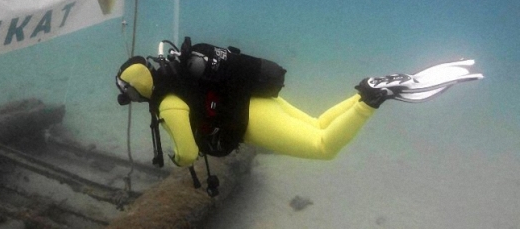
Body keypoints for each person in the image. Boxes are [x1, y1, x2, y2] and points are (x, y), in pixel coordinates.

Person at [115, 38, 482, 194]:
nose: (131, 98)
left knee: (323, 146)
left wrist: (179, 159)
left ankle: (372, 96)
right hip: (256, 101)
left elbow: (190, 154)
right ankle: (368, 90)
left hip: (249, 119)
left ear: (138, 88)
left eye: (129, 92)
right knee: (321, 123)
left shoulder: (167, 101)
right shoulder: (175, 74)